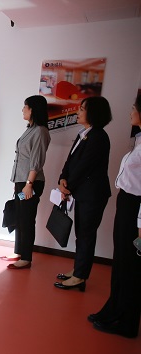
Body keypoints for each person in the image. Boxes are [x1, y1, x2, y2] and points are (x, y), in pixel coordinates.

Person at [89, 94, 141, 338]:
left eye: (133, 108)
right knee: (120, 261)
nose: (130, 112)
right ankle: (113, 310)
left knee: (131, 266)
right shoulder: (138, 140)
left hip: (135, 209)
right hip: (127, 203)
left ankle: (127, 322)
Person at [54, 96, 112, 291]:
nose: (78, 112)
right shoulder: (84, 134)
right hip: (82, 192)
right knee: (81, 234)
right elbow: (71, 161)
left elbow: (84, 166)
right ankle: (78, 269)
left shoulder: (99, 136)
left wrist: (67, 186)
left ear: (93, 113)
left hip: (93, 195)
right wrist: (62, 178)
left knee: (86, 235)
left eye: (82, 109)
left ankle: (80, 276)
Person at [2, 95, 51, 269]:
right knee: (19, 217)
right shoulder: (30, 129)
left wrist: (29, 184)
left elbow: (36, 161)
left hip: (31, 182)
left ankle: (26, 258)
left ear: (33, 110)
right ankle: (18, 251)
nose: (23, 109)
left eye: (26, 107)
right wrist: (19, 183)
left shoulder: (41, 131)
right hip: (22, 181)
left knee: (27, 219)